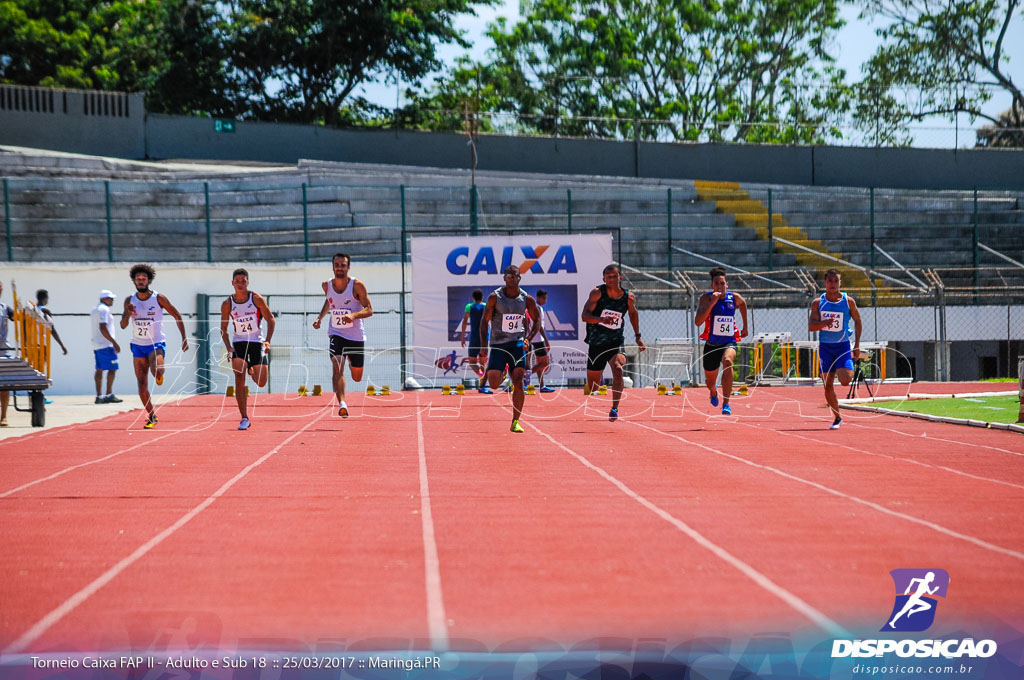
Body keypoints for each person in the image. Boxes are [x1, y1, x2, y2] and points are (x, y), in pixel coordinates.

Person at [120, 264, 189, 429]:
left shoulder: (159, 298)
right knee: (142, 385)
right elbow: (122, 325)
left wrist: (184, 338)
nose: (141, 281)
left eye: (144, 279)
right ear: (134, 281)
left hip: (156, 342)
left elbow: (177, 315)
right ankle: (152, 415)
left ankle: (159, 373)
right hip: (137, 345)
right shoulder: (129, 300)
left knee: (157, 369)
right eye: (138, 279)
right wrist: (128, 313)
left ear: (149, 280)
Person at [480, 265, 542, 433]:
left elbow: (536, 320)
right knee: (493, 384)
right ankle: (503, 372)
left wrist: (528, 339)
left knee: (519, 381)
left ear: (519, 278)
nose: (512, 279)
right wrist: (484, 346)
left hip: (517, 344)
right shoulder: (495, 297)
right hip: (499, 344)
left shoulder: (526, 299)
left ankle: (516, 420)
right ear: (504, 278)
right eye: (509, 276)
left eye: (515, 276)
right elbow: (484, 322)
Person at [312, 253, 373, 418]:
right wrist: (320, 317)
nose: (340, 268)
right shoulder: (326, 285)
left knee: (357, 376)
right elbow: (329, 301)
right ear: (333, 267)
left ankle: (352, 360)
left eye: (343, 265)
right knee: (337, 366)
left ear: (348, 267)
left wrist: (353, 316)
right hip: (336, 333)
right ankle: (342, 403)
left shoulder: (357, 286)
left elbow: (369, 310)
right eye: (337, 265)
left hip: (355, 336)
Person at [581, 264, 645, 421]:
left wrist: (638, 336)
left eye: (614, 276)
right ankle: (600, 378)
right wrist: (601, 319)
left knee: (618, 369)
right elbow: (585, 316)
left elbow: (633, 314)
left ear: (619, 278)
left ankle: (615, 408)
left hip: (615, 341)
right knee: (593, 385)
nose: (611, 279)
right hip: (596, 341)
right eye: (608, 277)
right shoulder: (597, 293)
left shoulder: (628, 297)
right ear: (604, 279)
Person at [220, 269, 275, 430]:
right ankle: (244, 417)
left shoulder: (256, 299)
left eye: (243, 281)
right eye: (237, 281)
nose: (240, 284)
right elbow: (223, 327)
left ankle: (251, 367)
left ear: (247, 282)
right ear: (232, 283)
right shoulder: (227, 304)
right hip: (239, 342)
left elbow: (271, 320)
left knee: (262, 381)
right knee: (238, 377)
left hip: (256, 342)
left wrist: (267, 341)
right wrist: (228, 346)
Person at [808, 268, 862, 430]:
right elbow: (811, 326)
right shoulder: (818, 303)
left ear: (840, 283)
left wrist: (857, 344)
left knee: (845, 380)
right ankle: (837, 417)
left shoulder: (848, 301)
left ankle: (843, 367)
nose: (833, 284)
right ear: (825, 283)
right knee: (828, 384)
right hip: (825, 347)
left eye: (836, 281)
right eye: (830, 281)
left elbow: (858, 321)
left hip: (843, 346)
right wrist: (825, 323)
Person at [694, 267, 749, 415]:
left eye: (722, 283)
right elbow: (698, 322)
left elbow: (743, 304)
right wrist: (713, 302)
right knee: (710, 382)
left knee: (728, 361)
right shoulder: (705, 298)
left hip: (729, 342)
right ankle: (713, 391)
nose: (720, 286)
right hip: (711, 344)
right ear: (712, 285)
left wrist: (745, 327)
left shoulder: (734, 298)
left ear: (727, 284)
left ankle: (726, 403)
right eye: (717, 283)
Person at [91, 290, 123, 404]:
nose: (112, 300)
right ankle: (109, 394)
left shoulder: (95, 309)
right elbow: (103, 327)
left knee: (99, 369)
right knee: (113, 368)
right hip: (105, 344)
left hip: (97, 344)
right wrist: (114, 342)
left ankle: (99, 396)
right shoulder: (104, 309)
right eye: (110, 298)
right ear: (103, 298)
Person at [459, 288, 490, 391]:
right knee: (482, 362)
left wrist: (462, 337)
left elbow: (464, 322)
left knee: (472, 362)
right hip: (485, 337)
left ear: (473, 298)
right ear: (482, 297)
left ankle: (481, 376)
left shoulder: (469, 306)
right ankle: (483, 384)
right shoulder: (486, 306)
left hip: (475, 337)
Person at [529, 288, 555, 393]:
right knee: (544, 363)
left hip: (536, 338)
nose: (545, 300)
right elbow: (538, 325)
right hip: (537, 338)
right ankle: (524, 376)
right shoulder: (537, 308)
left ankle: (542, 385)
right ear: (538, 298)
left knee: (540, 363)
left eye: (546, 298)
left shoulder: (538, 308)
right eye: (543, 298)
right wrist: (546, 340)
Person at [35, 289, 68, 356]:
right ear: (44, 299)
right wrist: (62, 345)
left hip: (32, 344)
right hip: (42, 345)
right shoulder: (46, 311)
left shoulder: (31, 310)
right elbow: (52, 330)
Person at [0, 281, 13, 427]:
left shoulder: (4, 308)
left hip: (3, 351)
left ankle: (4, 416)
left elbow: (18, 318)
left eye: (1, 288)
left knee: (5, 385)